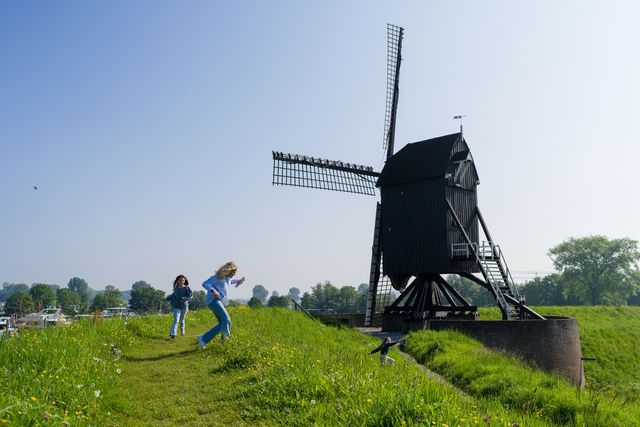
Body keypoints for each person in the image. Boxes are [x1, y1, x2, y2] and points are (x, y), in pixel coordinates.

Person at [197, 261, 245, 349]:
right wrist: (213, 290)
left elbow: (229, 282)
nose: (234, 274)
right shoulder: (217, 277)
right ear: (228, 271)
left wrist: (238, 281)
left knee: (222, 323)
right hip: (213, 300)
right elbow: (205, 283)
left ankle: (203, 339)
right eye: (233, 272)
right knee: (226, 320)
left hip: (217, 300)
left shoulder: (228, 278)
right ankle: (225, 343)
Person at [165, 274, 193, 339]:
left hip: (184, 307)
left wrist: (184, 298)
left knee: (181, 320)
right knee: (176, 320)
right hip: (176, 306)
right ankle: (173, 334)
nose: (181, 281)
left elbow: (191, 296)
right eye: (180, 280)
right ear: (177, 281)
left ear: (184, 281)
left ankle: (182, 329)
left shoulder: (187, 288)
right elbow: (173, 295)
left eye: (182, 280)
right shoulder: (176, 289)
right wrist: (166, 298)